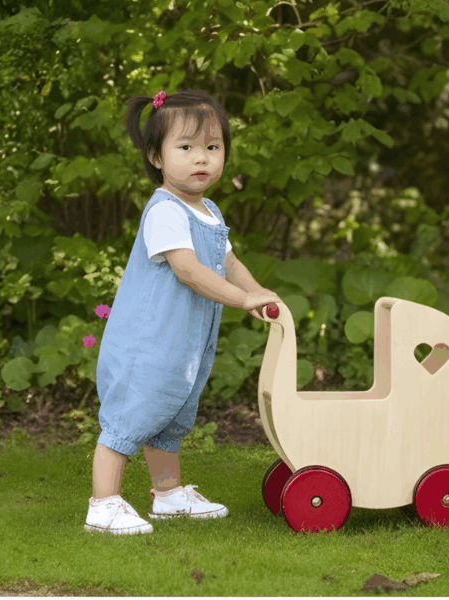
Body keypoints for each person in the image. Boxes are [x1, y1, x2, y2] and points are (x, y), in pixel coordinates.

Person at [85, 90, 282, 535]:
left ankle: (168, 494)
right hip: (148, 343)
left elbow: (228, 261)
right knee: (132, 415)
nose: (203, 159)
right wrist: (240, 299)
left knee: (169, 416)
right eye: (187, 147)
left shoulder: (208, 211)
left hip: (183, 345)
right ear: (156, 156)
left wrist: (257, 291)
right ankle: (103, 503)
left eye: (213, 148)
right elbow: (189, 270)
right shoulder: (165, 211)